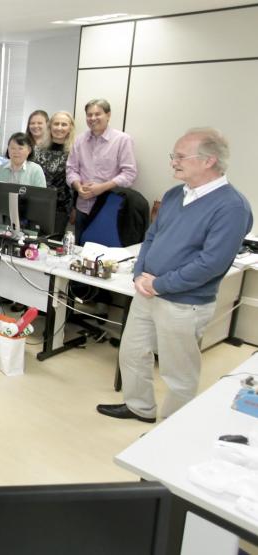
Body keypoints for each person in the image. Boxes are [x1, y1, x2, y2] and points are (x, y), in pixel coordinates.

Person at [97, 128, 252, 423]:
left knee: (178, 372)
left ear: (209, 160)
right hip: (147, 291)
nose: (173, 162)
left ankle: (170, 429)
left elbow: (212, 263)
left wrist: (160, 284)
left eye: (180, 156)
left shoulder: (232, 206)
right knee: (132, 353)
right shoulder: (173, 195)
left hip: (184, 302)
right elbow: (151, 237)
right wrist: (142, 273)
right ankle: (139, 406)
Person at [66, 98, 138, 242]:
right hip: (82, 207)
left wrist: (102, 188)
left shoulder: (122, 140)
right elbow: (71, 169)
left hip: (108, 208)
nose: (93, 118)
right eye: (89, 115)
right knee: (79, 252)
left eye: (97, 114)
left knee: (102, 256)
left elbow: (130, 174)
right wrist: (78, 187)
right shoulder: (79, 140)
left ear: (108, 115)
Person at [32, 111, 76, 236]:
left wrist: (75, 208)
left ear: (70, 128)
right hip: (37, 205)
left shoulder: (75, 151)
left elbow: (78, 181)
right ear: (50, 126)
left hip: (61, 209)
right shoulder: (38, 149)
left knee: (52, 245)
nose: (59, 128)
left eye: (64, 124)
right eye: (56, 124)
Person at [0, 132, 46, 222]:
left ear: (29, 150)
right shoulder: (0, 170)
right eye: (12, 148)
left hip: (28, 223)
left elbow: (41, 199)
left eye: (20, 148)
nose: (16, 152)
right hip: (2, 222)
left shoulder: (36, 170)